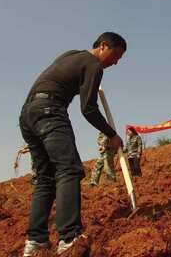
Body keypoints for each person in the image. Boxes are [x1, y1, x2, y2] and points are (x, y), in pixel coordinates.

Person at [19, 32, 126, 256]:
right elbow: (88, 108)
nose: (115, 63)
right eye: (115, 56)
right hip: (50, 111)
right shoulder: (93, 64)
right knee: (69, 169)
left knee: (45, 177)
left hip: (28, 114)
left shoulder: (71, 55)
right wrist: (111, 134)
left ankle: (36, 241)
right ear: (103, 46)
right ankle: (69, 238)